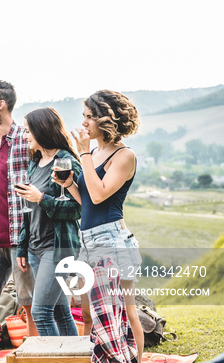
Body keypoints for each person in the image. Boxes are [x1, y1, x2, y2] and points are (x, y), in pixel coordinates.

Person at [58, 90, 144, 357]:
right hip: (90, 240)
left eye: (89, 117)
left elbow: (99, 193)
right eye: (83, 116)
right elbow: (88, 202)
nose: (83, 123)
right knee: (92, 313)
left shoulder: (123, 156)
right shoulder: (94, 152)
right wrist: (69, 184)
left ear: (108, 120)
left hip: (112, 242)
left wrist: (82, 154)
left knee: (126, 311)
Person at [0, 80, 37, 351]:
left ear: (1, 105)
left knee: (30, 301)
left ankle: (36, 354)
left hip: (20, 237)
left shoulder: (26, 140)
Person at [14, 107, 81, 336]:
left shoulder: (66, 162)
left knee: (40, 313)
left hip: (57, 249)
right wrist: (23, 247)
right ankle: (75, 360)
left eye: (27, 131)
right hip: (35, 249)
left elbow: (77, 208)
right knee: (61, 313)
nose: (25, 136)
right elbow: (28, 211)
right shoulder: (35, 163)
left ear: (41, 130)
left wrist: (42, 198)